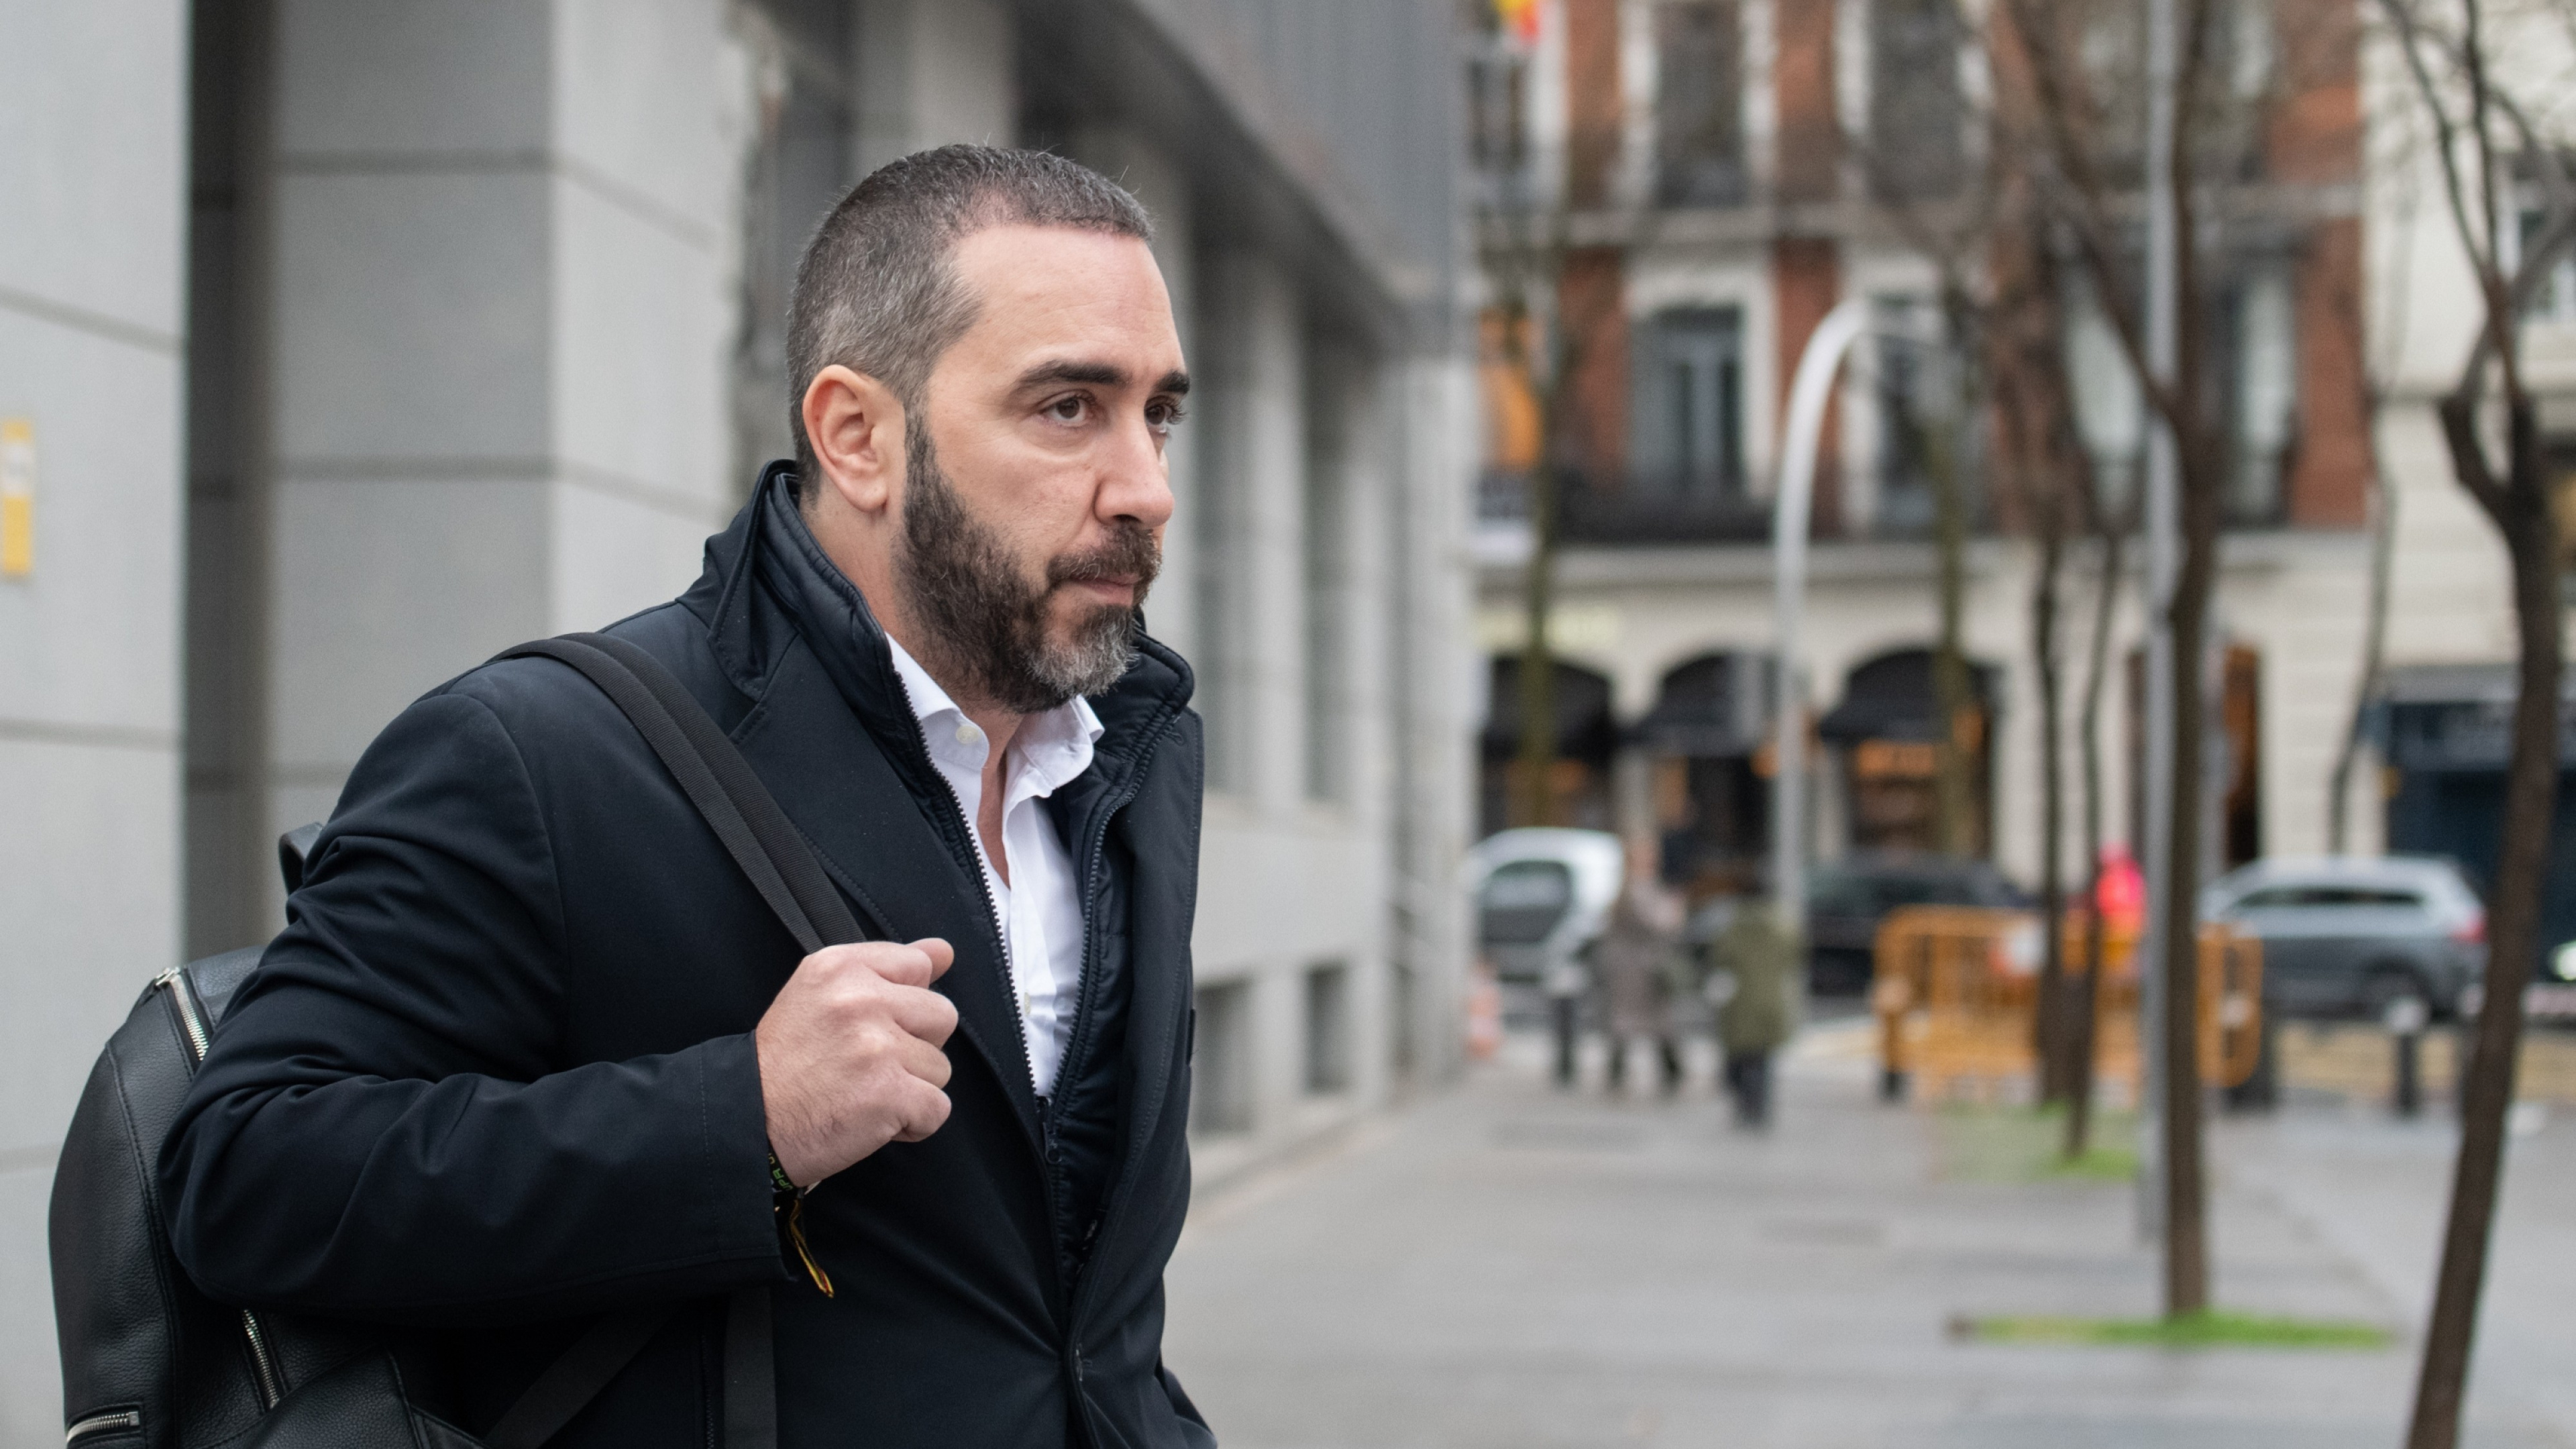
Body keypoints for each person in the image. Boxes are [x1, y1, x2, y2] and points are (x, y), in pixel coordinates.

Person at [159, 146, 1214, 1448]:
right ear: (858, 436)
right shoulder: (543, 753)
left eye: (1158, 416)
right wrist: (741, 1122)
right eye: (1067, 407)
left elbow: (1084, 1319)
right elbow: (244, 1177)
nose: (1146, 488)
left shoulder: (1135, 758)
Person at [1595, 840, 1686, 1094]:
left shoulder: (1639, 887)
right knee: (1642, 1023)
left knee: (1648, 1024)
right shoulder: (1632, 890)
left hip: (1642, 971)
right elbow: (1657, 923)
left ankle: (1666, 1072)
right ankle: (1667, 1072)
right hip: (1636, 972)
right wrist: (1674, 913)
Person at [1712, 896, 1798, 1128]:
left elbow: (1720, 958)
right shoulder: (1782, 930)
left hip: (1740, 1003)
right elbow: (1794, 956)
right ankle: (1760, 1107)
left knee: (1741, 1056)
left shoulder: (1734, 931)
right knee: (1763, 1059)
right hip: (1771, 1002)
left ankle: (1744, 1105)